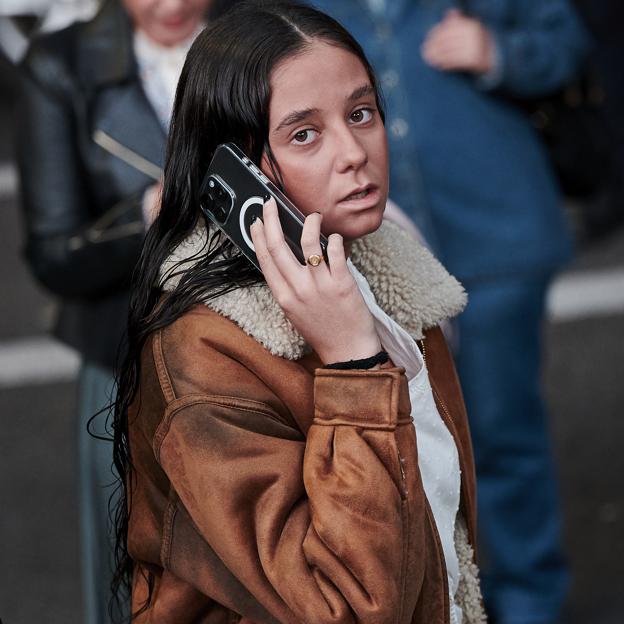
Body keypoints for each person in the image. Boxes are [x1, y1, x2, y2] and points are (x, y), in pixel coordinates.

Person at [111, 1, 487, 622]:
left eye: (361, 113)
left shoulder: (389, 282)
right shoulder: (205, 348)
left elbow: (445, 536)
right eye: (304, 133)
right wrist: (354, 366)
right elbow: (347, 605)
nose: (354, 152)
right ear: (236, 169)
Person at [309, 1, 589, 622]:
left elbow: (567, 40)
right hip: (368, 255)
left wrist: (499, 51)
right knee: (392, 445)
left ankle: (529, 602)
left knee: (503, 432)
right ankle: (434, 604)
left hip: (497, 240)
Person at [15, 0, 222, 621]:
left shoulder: (262, 34)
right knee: (134, 578)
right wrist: (145, 217)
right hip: (127, 358)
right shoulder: (61, 64)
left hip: (264, 344)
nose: (171, 5)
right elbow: (56, 254)